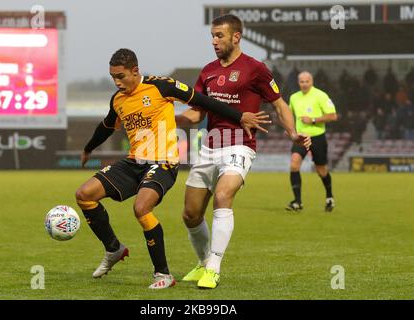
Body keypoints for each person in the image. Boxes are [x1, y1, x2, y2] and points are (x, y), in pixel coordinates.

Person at [75, 48, 269, 290]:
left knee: (141, 208)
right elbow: (106, 125)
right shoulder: (118, 99)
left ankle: (162, 275)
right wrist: (88, 148)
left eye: (121, 76)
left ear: (135, 71)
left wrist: (239, 117)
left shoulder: (161, 86)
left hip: (163, 163)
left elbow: (204, 101)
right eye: (113, 76)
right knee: (84, 195)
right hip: (134, 161)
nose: (117, 82)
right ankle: (114, 249)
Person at [175, 14, 311, 289]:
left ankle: (213, 267)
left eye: (219, 36)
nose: (214, 41)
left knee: (223, 196)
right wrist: (168, 117)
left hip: (240, 145)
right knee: (190, 214)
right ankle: (203, 264)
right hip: (210, 147)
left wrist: (292, 133)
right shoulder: (208, 71)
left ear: (236, 37)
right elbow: (195, 114)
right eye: (212, 36)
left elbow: (279, 104)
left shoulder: (255, 69)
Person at [286, 71, 338, 212]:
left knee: (321, 170)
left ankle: (329, 197)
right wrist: (289, 130)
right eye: (301, 81)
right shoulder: (294, 97)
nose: (304, 84)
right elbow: (289, 116)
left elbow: (333, 116)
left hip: (317, 137)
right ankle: (297, 202)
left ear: (312, 81)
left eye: (306, 81)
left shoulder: (320, 95)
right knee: (294, 164)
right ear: (298, 82)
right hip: (301, 138)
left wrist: (313, 120)